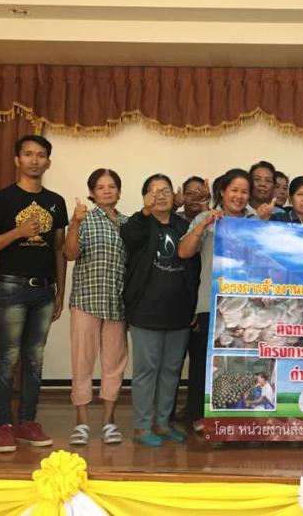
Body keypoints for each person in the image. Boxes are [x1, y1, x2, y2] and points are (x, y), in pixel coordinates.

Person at [0, 134, 68, 453]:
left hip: (45, 290)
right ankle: (4, 425)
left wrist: (60, 291)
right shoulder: (2, 199)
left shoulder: (56, 201)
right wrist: (18, 232)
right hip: (11, 287)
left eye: (40, 155)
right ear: (17, 160)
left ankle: (28, 421)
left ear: (48, 162)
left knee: (34, 358)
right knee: (8, 356)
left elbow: (58, 249)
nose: (34, 160)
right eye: (28, 154)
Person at [178, 168, 262, 432]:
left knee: (241, 361)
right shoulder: (206, 218)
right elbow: (184, 252)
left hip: (247, 306)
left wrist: (263, 225)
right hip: (211, 302)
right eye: (234, 190)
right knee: (205, 362)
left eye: (244, 191)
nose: (239, 196)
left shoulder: (255, 221)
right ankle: (200, 416)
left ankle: (238, 416)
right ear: (223, 192)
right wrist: (204, 224)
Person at [120, 174, 198, 447]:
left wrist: (193, 305)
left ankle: (163, 423)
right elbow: (129, 236)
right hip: (146, 311)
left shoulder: (182, 225)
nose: (160, 195)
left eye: (165, 190)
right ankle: (142, 427)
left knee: (171, 372)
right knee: (146, 371)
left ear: (174, 196)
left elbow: (194, 268)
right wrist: (145, 211)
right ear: (144, 197)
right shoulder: (139, 224)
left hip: (178, 312)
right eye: (153, 191)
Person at [64, 169, 128, 446]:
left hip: (117, 303)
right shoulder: (85, 219)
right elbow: (70, 254)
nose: (107, 191)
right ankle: (81, 423)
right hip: (86, 301)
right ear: (92, 192)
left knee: (114, 365)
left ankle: (109, 422)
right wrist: (75, 224)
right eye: (100, 187)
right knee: (82, 363)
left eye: (112, 186)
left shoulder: (127, 223)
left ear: (119, 191)